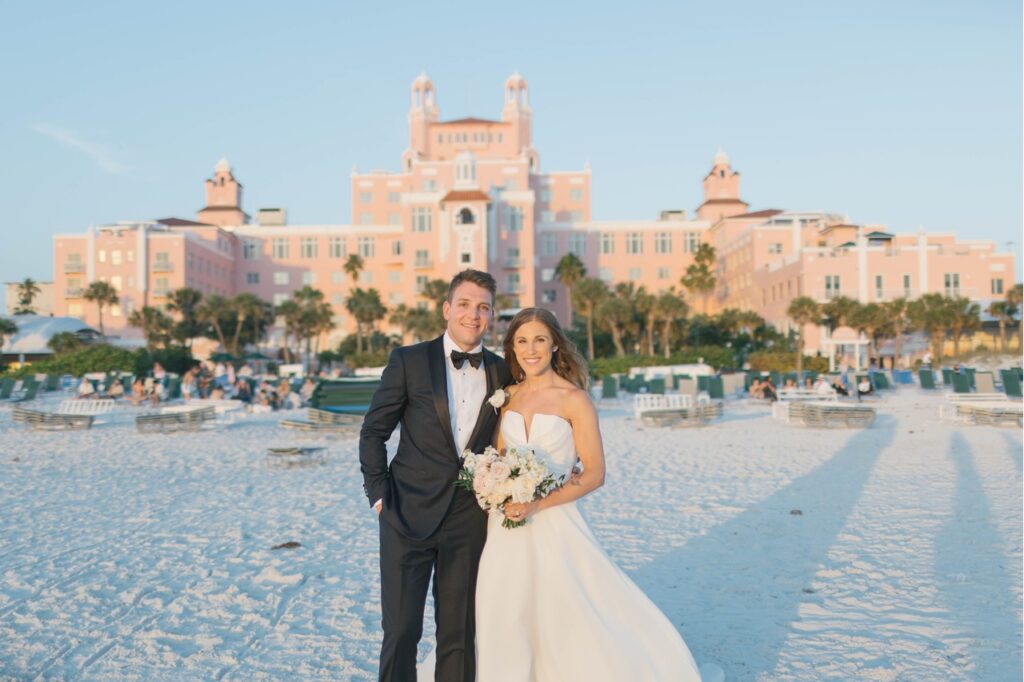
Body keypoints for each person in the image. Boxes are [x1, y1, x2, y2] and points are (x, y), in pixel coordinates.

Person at [466, 308, 703, 680]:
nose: (531, 349)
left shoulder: (574, 400)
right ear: (512, 348)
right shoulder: (506, 397)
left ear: (555, 344)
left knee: (567, 610)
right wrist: (494, 484)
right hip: (504, 525)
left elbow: (594, 473)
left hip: (554, 519)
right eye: (522, 341)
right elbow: (496, 459)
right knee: (503, 607)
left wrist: (537, 502)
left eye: (540, 339)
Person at [360, 270, 512, 681]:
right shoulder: (408, 361)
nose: (473, 315)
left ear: (492, 316)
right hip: (405, 513)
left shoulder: (501, 372)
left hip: (468, 519)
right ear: (447, 309)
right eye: (464, 304)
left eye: (483, 307)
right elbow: (374, 431)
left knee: (459, 635)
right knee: (401, 631)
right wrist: (378, 496)